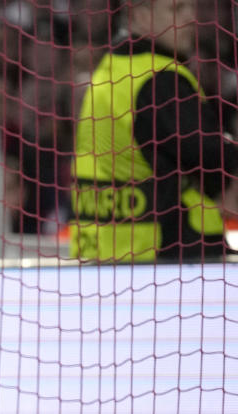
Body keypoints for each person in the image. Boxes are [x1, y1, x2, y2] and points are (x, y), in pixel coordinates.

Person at [70, 0, 238, 262]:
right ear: (140, 13)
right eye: (176, 9)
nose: (191, 18)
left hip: (102, 253)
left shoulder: (112, 67)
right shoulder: (160, 79)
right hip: (169, 259)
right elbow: (213, 160)